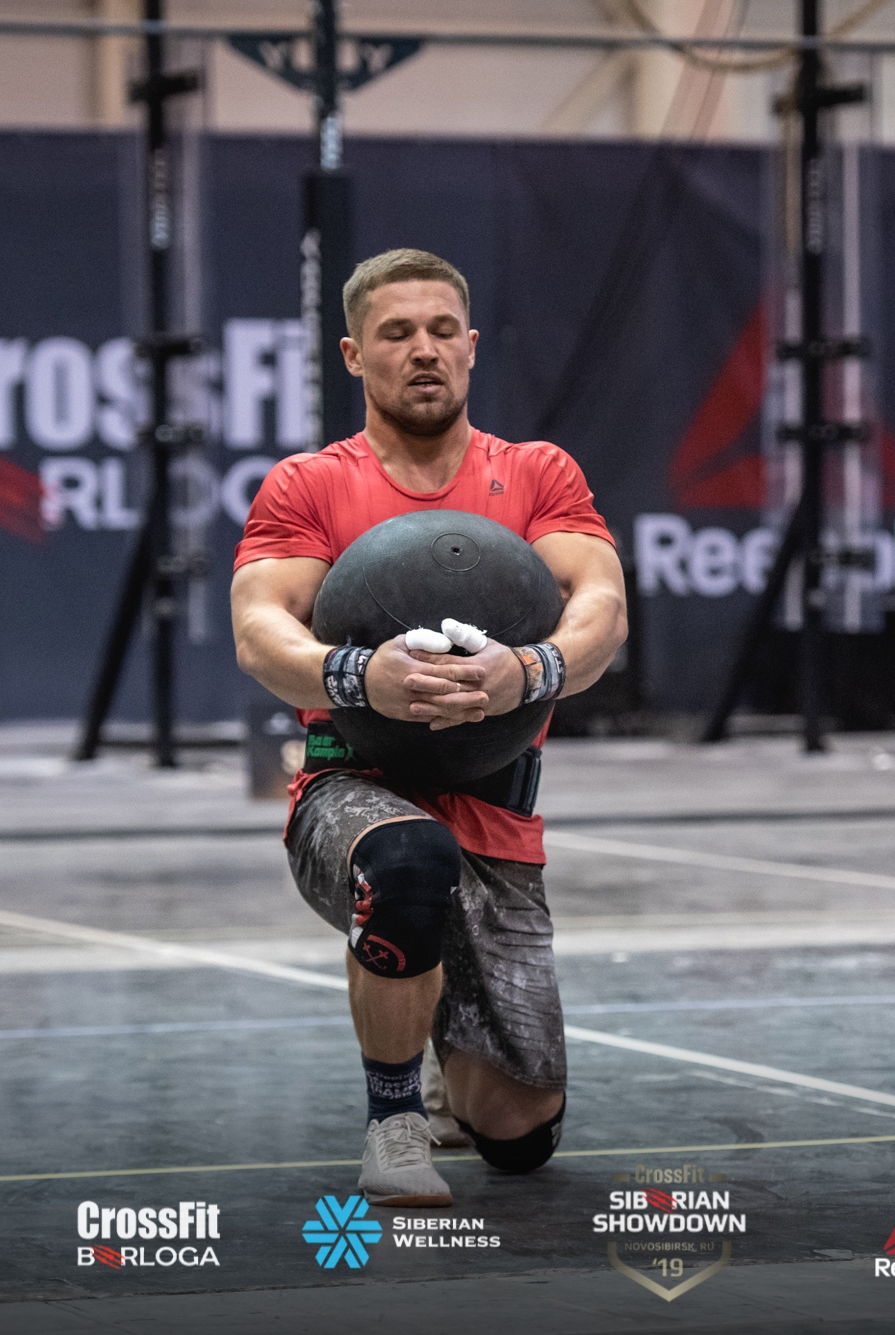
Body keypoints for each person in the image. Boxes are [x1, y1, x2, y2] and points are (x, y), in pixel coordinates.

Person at [230, 248, 626, 1206]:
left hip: (494, 801)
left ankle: (452, 1056)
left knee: (519, 1135)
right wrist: (354, 674)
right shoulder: (307, 485)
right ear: (353, 354)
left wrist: (528, 669)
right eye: (397, 333)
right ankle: (394, 1123)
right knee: (406, 862)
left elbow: (601, 606)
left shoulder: (536, 474)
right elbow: (258, 626)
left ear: (471, 347)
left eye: (443, 330)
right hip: (351, 787)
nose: (424, 350)